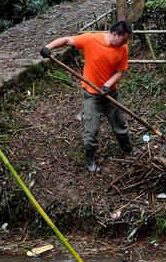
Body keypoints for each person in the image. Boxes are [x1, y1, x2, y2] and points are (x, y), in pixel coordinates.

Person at [40, 21, 133, 174]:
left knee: (120, 125)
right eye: (124, 39)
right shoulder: (91, 39)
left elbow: (119, 72)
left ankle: (127, 149)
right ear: (115, 34)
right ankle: (90, 159)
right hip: (92, 96)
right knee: (92, 129)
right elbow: (67, 40)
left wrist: (107, 85)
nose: (125, 43)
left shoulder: (123, 49)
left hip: (111, 94)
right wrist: (48, 47)